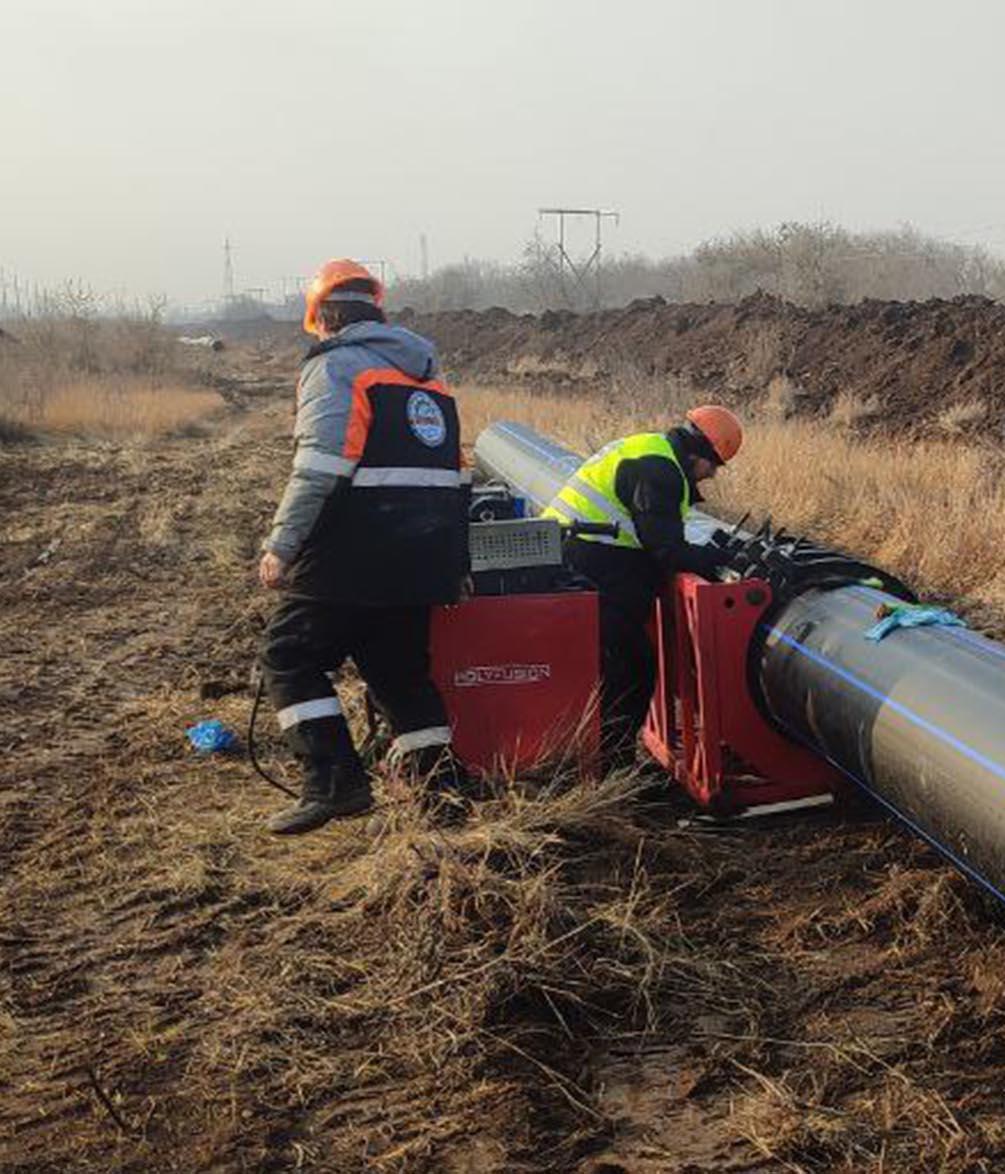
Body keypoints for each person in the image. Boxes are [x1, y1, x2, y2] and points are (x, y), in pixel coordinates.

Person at [258, 259, 469, 835]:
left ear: (320, 318)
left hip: (354, 555)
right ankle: (443, 796)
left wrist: (282, 545)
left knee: (289, 656)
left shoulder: (337, 368)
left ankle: (335, 784)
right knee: (400, 675)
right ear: (377, 311)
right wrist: (456, 563)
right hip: (420, 557)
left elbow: (320, 468)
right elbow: (456, 477)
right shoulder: (428, 376)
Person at [541, 406, 743, 770]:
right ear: (700, 454)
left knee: (621, 667)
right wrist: (714, 560)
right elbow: (664, 547)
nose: (711, 475)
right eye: (713, 466)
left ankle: (604, 760)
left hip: (575, 560)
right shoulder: (660, 470)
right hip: (586, 567)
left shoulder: (650, 449)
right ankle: (610, 767)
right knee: (631, 669)